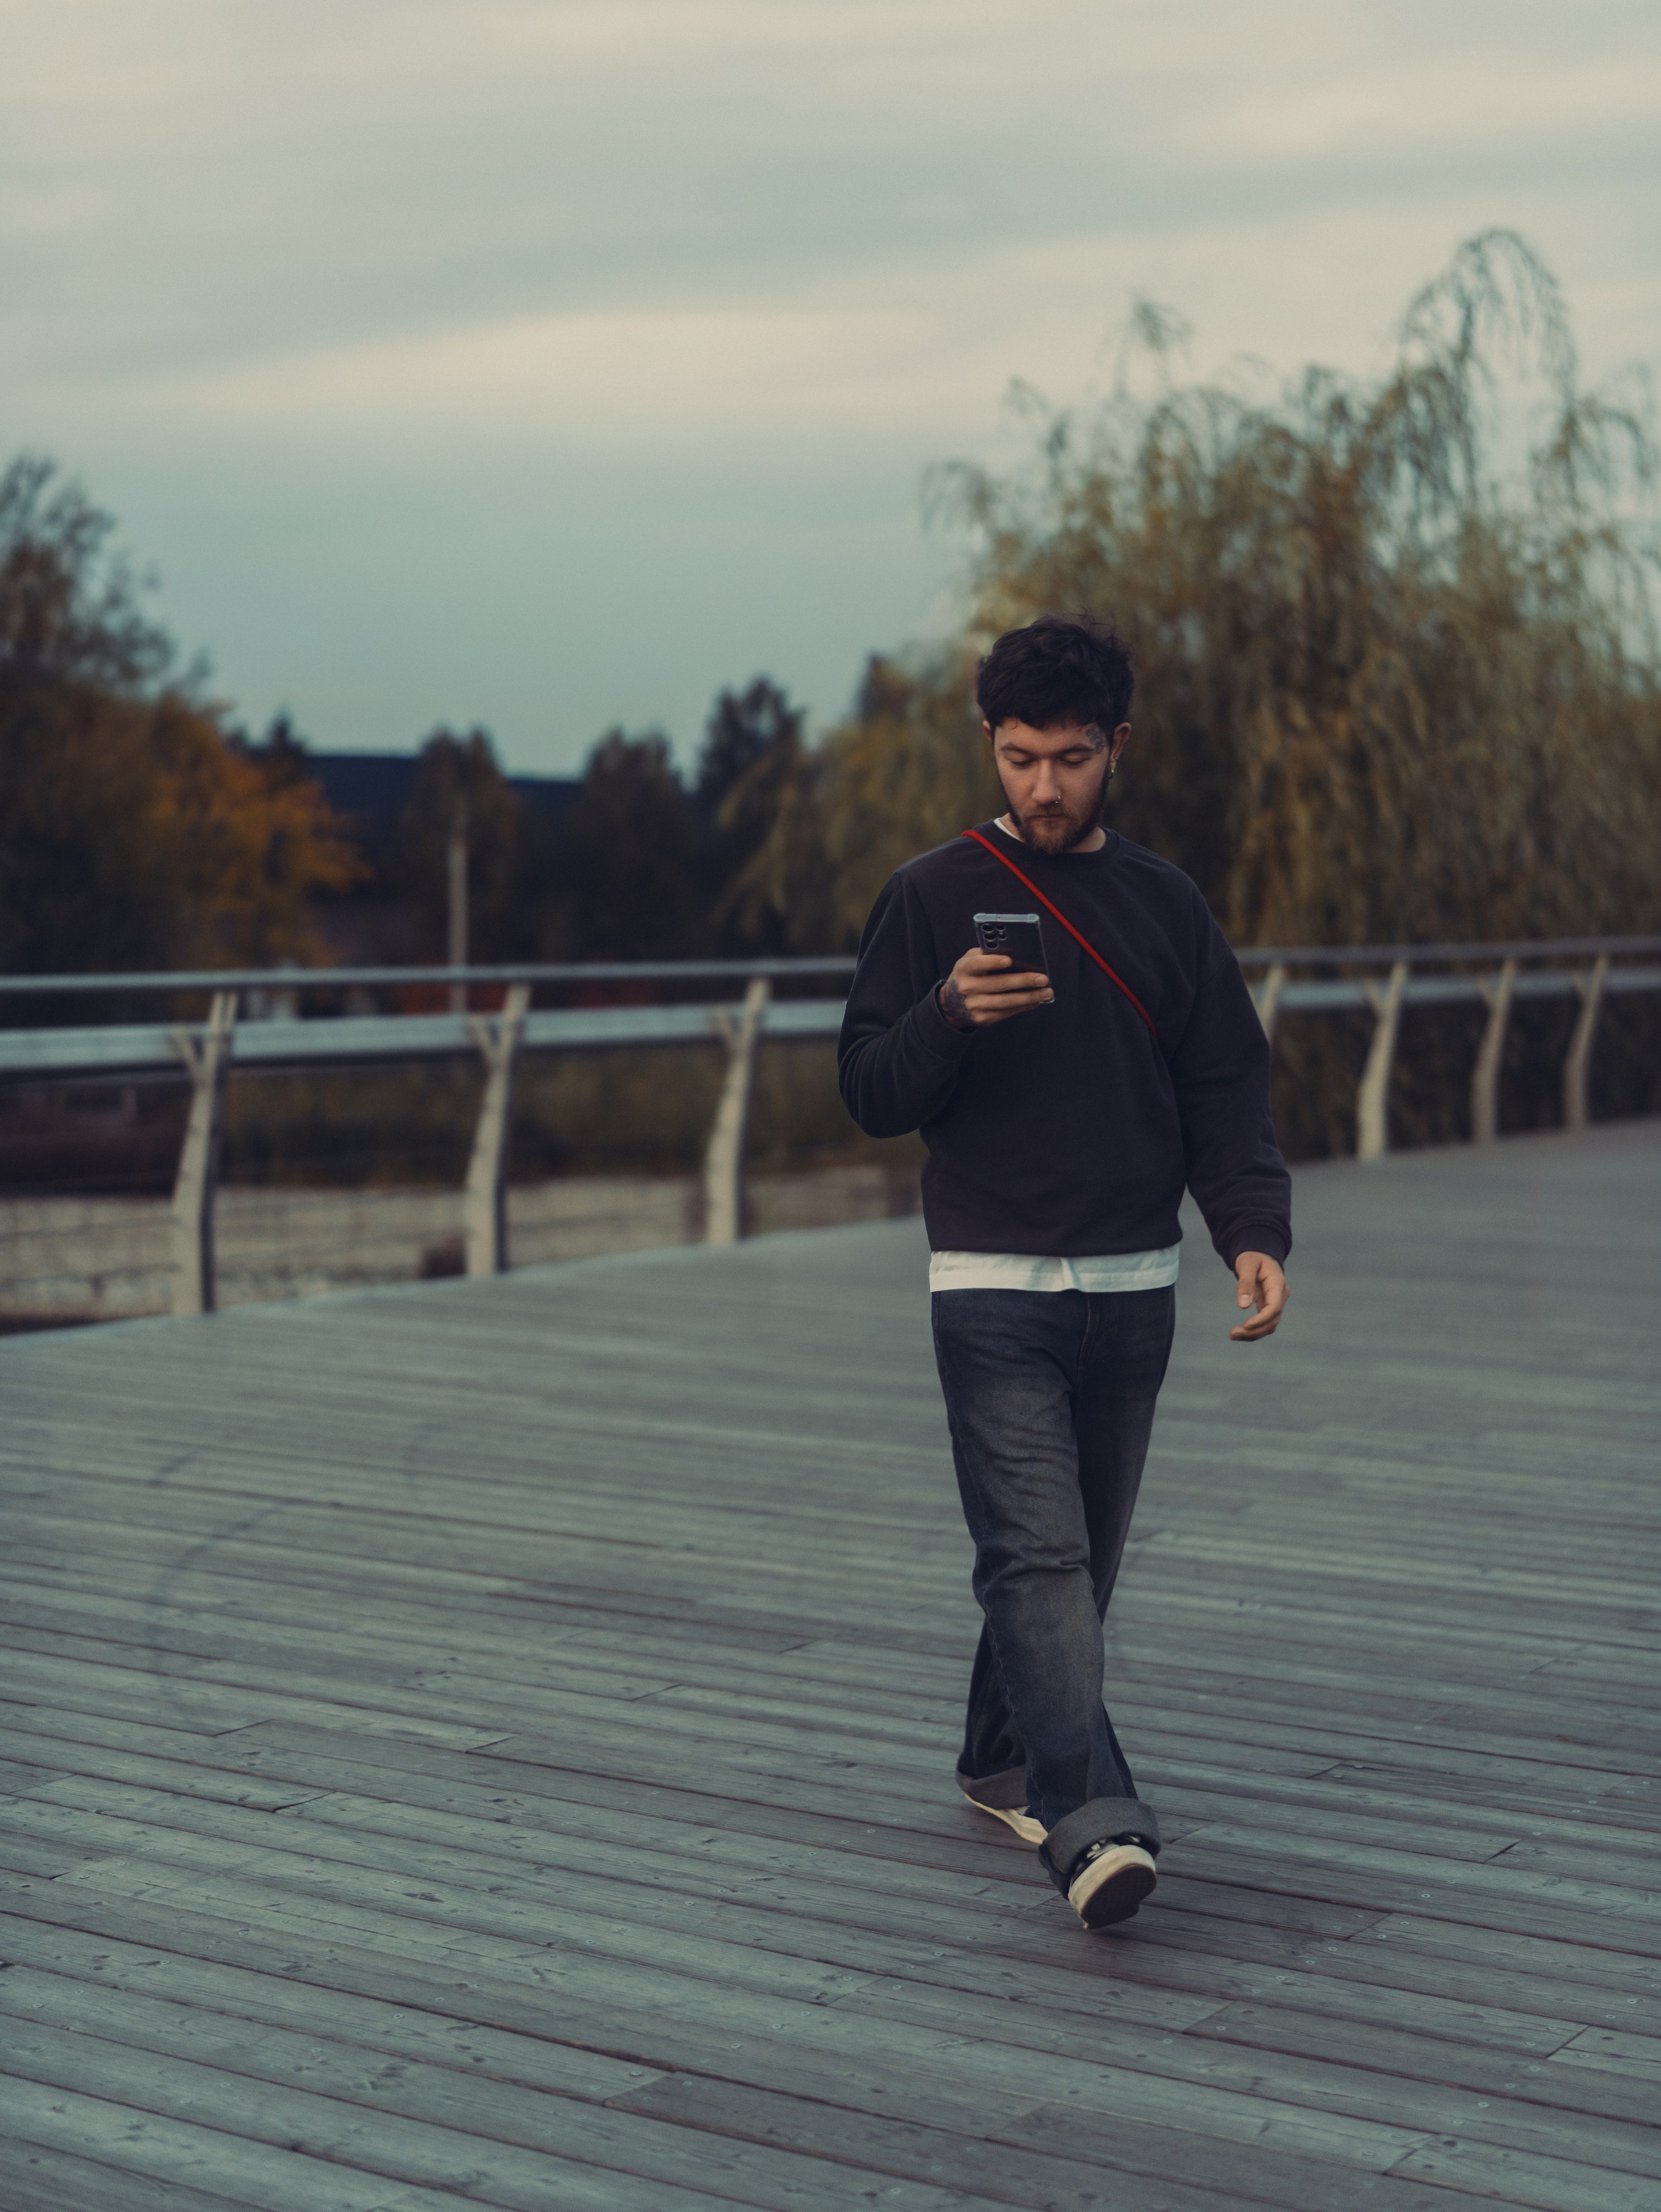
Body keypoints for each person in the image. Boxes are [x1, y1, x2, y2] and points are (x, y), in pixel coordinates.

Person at [838, 612, 1291, 1930]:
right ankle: (1089, 1821)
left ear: (1116, 750)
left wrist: (1249, 1229)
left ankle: (996, 1753)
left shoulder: (1164, 905)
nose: (1043, 785)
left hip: (1131, 1284)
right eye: (1021, 756)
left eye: (1072, 758)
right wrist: (941, 1018)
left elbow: (1222, 1083)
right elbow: (865, 1086)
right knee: (1035, 1555)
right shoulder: (926, 895)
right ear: (989, 743)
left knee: (1075, 1568)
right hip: (986, 1283)